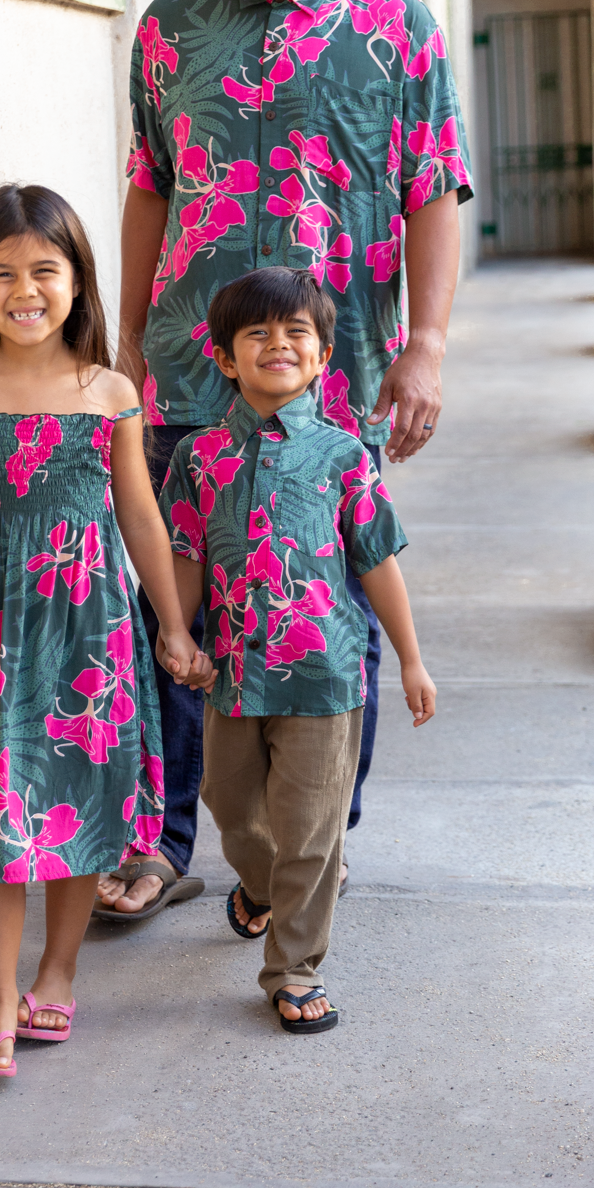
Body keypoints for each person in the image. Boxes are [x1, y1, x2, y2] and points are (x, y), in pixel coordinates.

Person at [97, 0, 469, 923]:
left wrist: (429, 345)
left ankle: (308, 850)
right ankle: (162, 844)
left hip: (334, 379)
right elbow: (149, 187)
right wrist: (125, 339)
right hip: (188, 380)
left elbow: (433, 193)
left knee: (325, 610)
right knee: (176, 601)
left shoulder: (400, 34)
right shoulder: (170, 30)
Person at [0, 183, 212, 1076]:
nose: (24, 289)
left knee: (81, 810)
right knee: (0, 821)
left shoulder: (111, 392)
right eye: (0, 272)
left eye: (45, 269)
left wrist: (173, 627)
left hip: (94, 635)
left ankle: (59, 972)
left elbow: (144, 521)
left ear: (78, 281)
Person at [157, 268, 435, 1030]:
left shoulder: (346, 457)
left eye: (296, 335)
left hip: (326, 676)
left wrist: (410, 659)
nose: (277, 345)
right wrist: (175, 634)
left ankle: (294, 969)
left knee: (312, 834)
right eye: (257, 334)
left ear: (320, 359)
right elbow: (184, 552)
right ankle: (259, 886)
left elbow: (378, 560)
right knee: (233, 808)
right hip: (233, 674)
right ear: (224, 357)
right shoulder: (199, 459)